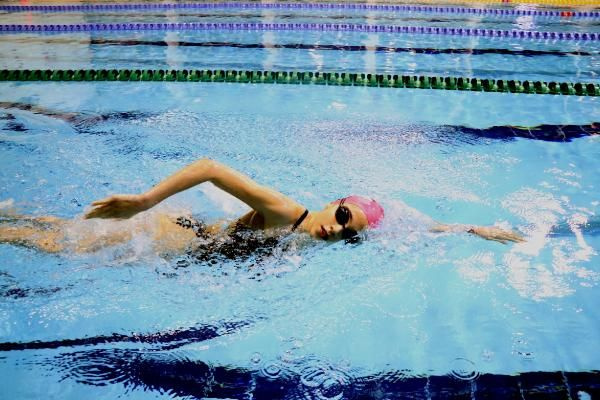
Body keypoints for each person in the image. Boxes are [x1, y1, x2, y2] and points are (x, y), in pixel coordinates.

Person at [0, 158, 524, 256]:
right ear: (334, 202)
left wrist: (473, 229)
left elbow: (418, 230)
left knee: (51, 230)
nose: (337, 231)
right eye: (342, 217)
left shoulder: (309, 229)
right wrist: (140, 203)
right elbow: (209, 167)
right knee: (53, 245)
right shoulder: (292, 214)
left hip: (185, 239)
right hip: (168, 241)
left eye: (350, 234)